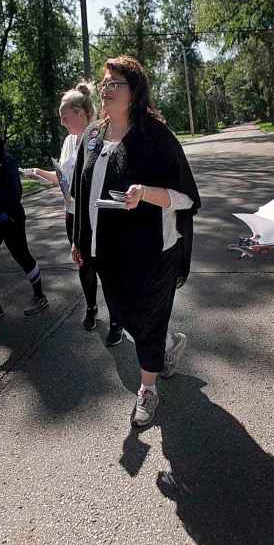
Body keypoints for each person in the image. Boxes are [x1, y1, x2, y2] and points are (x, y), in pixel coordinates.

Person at [71, 55, 201, 428]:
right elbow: (82, 193)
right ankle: (166, 346)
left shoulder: (154, 136)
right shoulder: (93, 136)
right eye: (104, 83)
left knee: (147, 317)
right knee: (125, 316)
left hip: (153, 249)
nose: (107, 90)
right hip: (106, 248)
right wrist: (80, 238)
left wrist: (145, 193)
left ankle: (148, 388)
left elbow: (186, 197)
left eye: (116, 84)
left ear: (135, 90)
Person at [23, 84, 118, 339]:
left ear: (80, 113)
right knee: (83, 264)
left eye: (65, 117)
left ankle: (117, 320)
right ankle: (91, 307)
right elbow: (63, 178)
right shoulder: (68, 141)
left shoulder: (102, 135)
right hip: (72, 213)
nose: (62, 123)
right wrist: (38, 172)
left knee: (106, 267)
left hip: (98, 214)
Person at [0, 119, 48, 324]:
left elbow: (13, 194)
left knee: (22, 256)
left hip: (10, 219)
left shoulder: (6, 162)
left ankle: (40, 297)